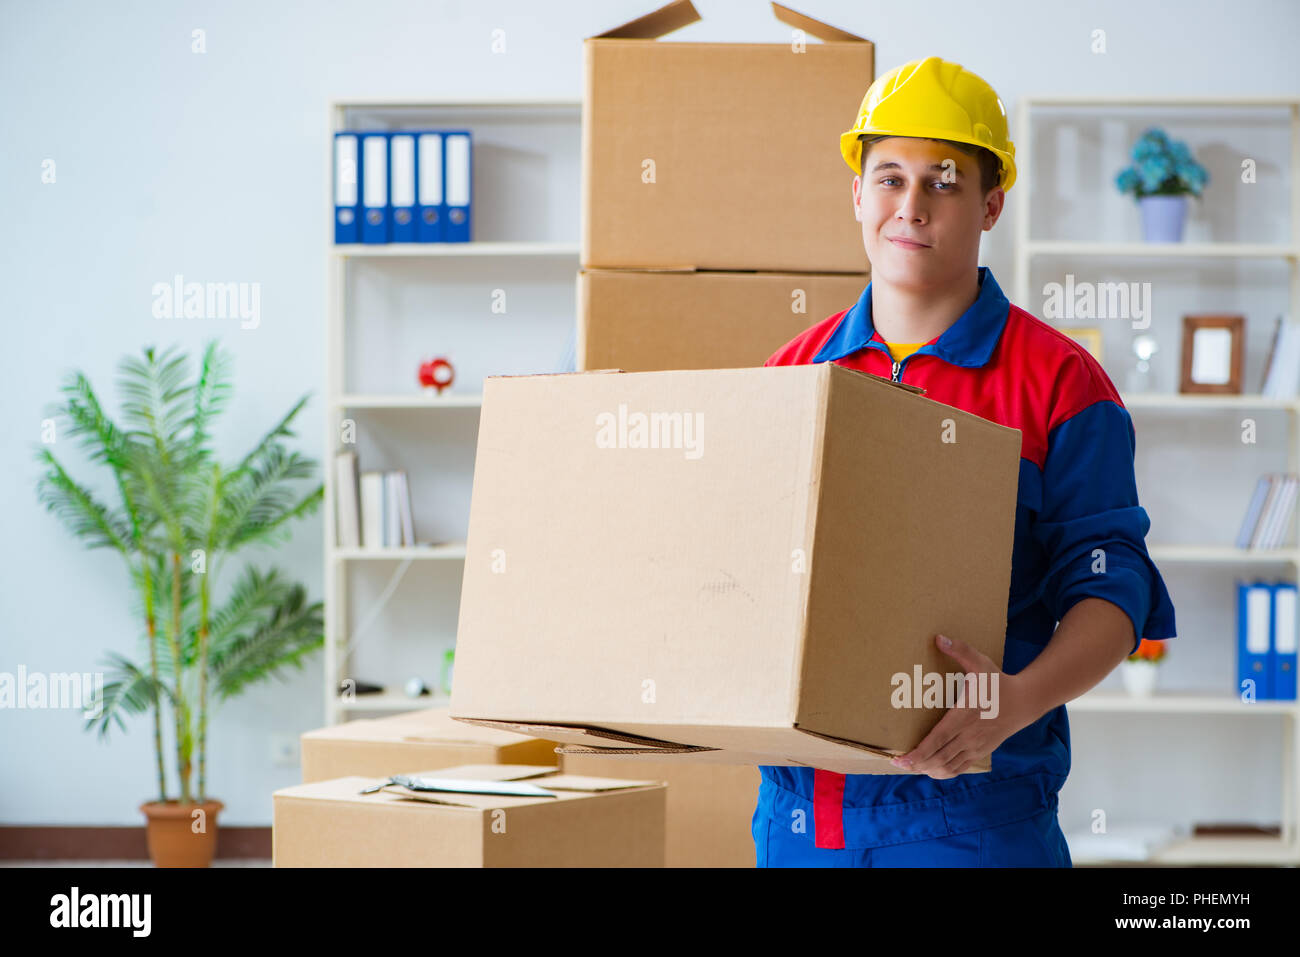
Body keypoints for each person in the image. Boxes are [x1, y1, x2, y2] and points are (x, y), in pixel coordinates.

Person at [754, 56, 1177, 867]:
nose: (910, 206)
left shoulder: (1062, 383)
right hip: (800, 822)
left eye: (942, 183)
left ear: (990, 205)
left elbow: (1112, 582)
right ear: (856, 194)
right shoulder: (790, 377)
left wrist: (1015, 700)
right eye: (888, 178)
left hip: (974, 820)